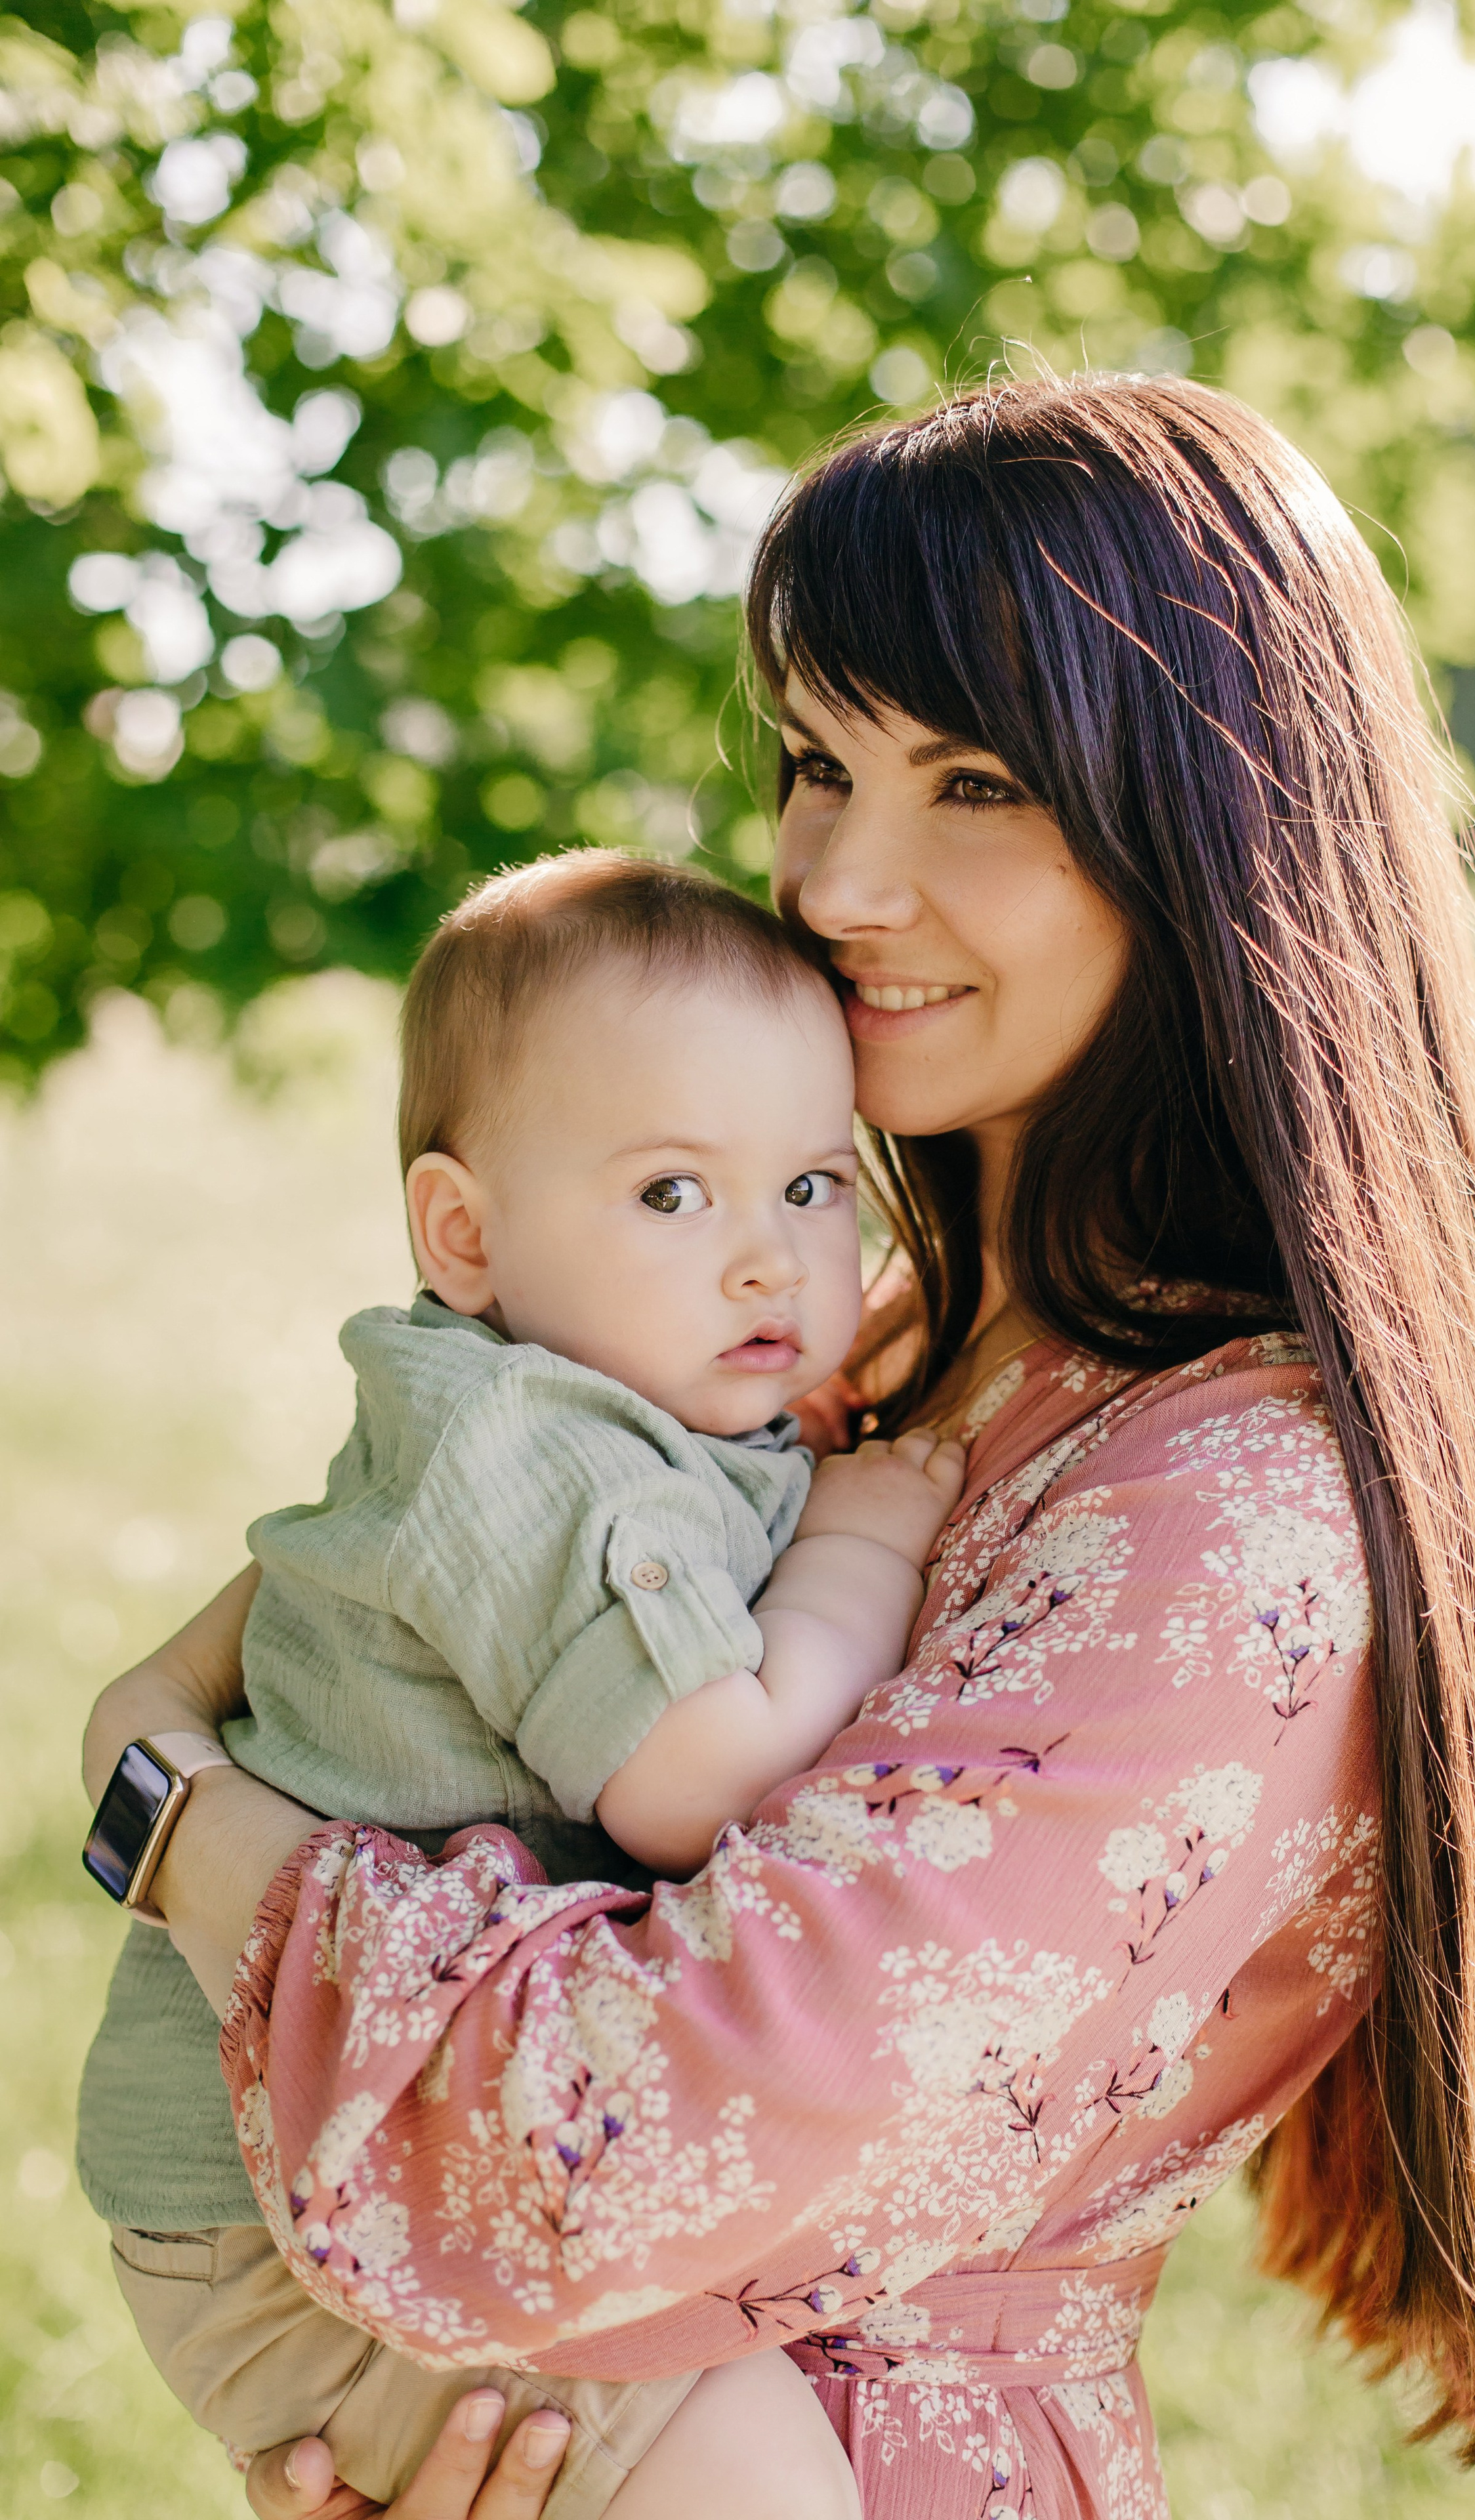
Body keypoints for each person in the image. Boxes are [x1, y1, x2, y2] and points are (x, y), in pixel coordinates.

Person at [84, 374, 1475, 2520]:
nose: (836, 876)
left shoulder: (1243, 1517)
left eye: (976, 782)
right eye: (819, 763)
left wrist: (169, 1824)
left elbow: (625, 2135)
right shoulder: (882, 1343)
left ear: (1209, 829)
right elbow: (369, 1620)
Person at [79, 852, 964, 2516]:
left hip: (370, 2133)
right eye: (671, 1196)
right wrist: (859, 1554)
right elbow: (698, 1780)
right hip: (299, 2194)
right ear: (465, 1235)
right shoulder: (537, 1451)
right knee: (754, 2485)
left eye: (813, 1185)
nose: (770, 1260)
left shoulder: (633, 1400)